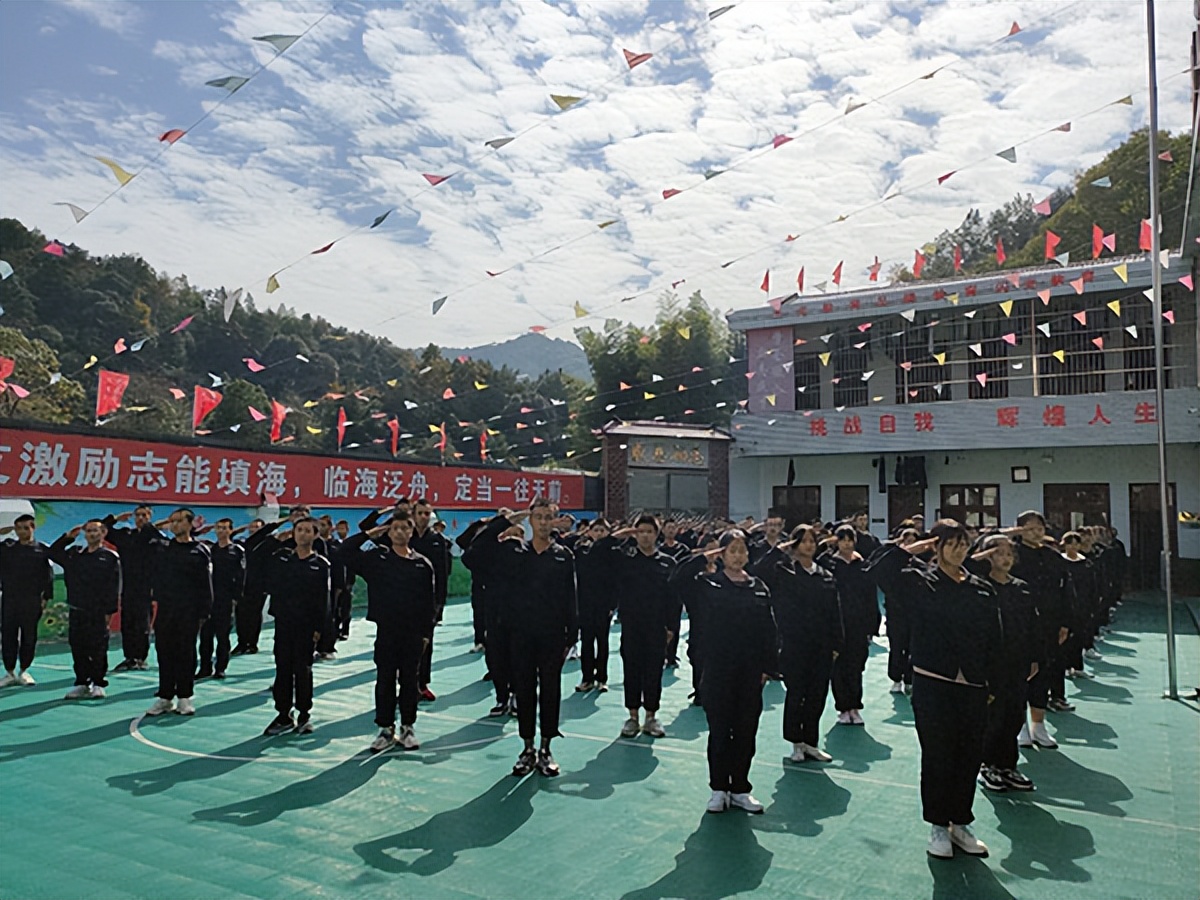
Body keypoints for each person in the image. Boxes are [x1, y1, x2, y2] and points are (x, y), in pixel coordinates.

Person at [869, 519, 1001, 859]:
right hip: (933, 683)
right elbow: (881, 567)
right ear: (938, 546)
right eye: (951, 543)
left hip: (972, 684)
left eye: (963, 543)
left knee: (969, 755)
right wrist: (920, 545)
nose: (959, 549)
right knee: (939, 755)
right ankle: (938, 826)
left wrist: (991, 681)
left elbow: (993, 639)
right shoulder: (919, 582)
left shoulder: (981, 587)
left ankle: (961, 822)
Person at [469, 499, 577, 778]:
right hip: (519, 635)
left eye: (547, 517)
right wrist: (507, 520)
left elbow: (570, 599)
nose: (542, 522)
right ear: (529, 521)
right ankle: (527, 748)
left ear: (554, 521)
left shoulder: (563, 556)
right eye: (537, 517)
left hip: (552, 637)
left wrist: (571, 636)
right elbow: (473, 555)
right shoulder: (514, 552)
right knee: (525, 690)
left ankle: (546, 748)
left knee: (551, 692)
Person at [675, 530, 777, 814]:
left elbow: (769, 630)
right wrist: (704, 557)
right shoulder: (707, 585)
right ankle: (719, 789)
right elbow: (678, 578)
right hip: (718, 668)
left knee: (746, 730)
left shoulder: (758, 587)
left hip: (750, 671)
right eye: (731, 550)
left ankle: (741, 788)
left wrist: (768, 668)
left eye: (742, 550)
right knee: (720, 730)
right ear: (721, 554)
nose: (737, 555)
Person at [343, 510, 435, 750]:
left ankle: (408, 727)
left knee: (409, 680)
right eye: (395, 528)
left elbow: (428, 602)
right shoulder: (377, 559)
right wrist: (368, 534)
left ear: (412, 531)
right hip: (387, 631)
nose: (400, 532)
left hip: (413, 633)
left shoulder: (422, 564)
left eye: (405, 528)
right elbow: (344, 553)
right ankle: (385, 729)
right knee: (384, 680)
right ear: (389, 532)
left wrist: (426, 634)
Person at [751, 524, 841, 763]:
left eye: (812, 541)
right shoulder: (784, 572)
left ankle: (811, 742)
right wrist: (779, 551)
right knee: (796, 694)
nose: (809, 545)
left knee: (817, 695)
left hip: (821, 647)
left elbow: (835, 611)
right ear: (795, 544)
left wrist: (836, 644)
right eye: (803, 541)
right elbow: (758, 571)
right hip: (794, 644)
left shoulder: (825, 575)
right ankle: (796, 743)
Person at [246, 517, 331, 735]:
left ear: (315, 535)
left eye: (307, 531)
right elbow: (252, 549)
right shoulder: (281, 557)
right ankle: (283, 715)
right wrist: (275, 537)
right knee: (283, 669)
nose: (302, 534)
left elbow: (323, 601)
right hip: (284, 623)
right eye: (298, 530)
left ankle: (304, 714)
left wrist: (319, 631)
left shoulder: (320, 565)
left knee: (303, 670)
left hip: (306, 626)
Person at [595, 516, 676, 738]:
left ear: (656, 534)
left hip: (657, 626)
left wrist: (672, 627)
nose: (645, 535)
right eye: (640, 531)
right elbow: (599, 553)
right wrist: (619, 535)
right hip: (631, 625)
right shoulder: (625, 559)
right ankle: (632, 717)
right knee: (632, 670)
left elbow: (673, 599)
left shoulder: (667, 563)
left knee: (653, 671)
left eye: (649, 531)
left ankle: (651, 716)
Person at [972, 535, 1039, 793]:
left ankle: (1008, 765)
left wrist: (1035, 657)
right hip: (989, 665)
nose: (1005, 559)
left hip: (1017, 662)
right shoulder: (979, 587)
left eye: (1009, 554)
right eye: (998, 553)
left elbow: (1032, 626)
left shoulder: (1021, 587)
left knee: (1013, 715)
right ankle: (987, 765)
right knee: (993, 717)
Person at [1009, 510, 1070, 749]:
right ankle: (1020, 726)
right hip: (1019, 622)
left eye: (1040, 528)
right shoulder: (1012, 553)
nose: (1036, 532)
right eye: (1030, 527)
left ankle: (1039, 725)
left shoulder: (1052, 556)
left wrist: (1065, 622)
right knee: (1021, 673)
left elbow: (1064, 590)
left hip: (1048, 623)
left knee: (1044, 671)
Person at [145, 509, 213, 717]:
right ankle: (165, 697)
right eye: (171, 521)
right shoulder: (162, 548)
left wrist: (204, 612)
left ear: (191, 523)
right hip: (166, 609)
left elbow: (206, 585)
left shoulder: (200, 551)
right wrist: (162, 523)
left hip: (189, 611)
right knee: (164, 652)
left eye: (178, 521)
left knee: (186, 653)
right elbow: (147, 532)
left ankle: (185, 697)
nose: (174, 525)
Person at [48, 520, 122, 699]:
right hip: (77, 609)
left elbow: (114, 587)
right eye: (88, 531)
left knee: (97, 648)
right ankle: (82, 682)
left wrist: (109, 612)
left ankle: (98, 682)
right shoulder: (75, 555)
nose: (91, 534)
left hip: (98, 611)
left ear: (103, 533)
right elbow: (53, 553)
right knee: (78, 647)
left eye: (95, 531)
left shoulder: (110, 557)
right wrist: (68, 538)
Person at [462, 516, 524, 716]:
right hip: (497, 614)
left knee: (513, 657)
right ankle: (504, 698)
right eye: (509, 532)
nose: (512, 538)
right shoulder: (492, 555)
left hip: (516, 614)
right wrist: (500, 523)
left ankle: (512, 696)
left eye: (517, 533)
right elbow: (470, 553)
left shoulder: (528, 555)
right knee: (498, 657)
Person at [820, 525, 879, 725]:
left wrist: (873, 624)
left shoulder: (862, 565)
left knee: (856, 666)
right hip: (836, 623)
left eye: (850, 539)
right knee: (839, 666)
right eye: (842, 539)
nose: (846, 543)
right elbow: (815, 561)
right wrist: (824, 544)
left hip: (858, 623)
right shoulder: (829, 563)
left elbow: (871, 595)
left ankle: (855, 706)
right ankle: (843, 707)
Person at [102, 505, 161, 672]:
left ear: (149, 517)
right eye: (138, 515)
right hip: (128, 586)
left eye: (144, 515)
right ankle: (129, 657)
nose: (140, 518)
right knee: (128, 623)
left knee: (142, 624)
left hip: (146, 587)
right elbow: (102, 528)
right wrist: (115, 518)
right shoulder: (126, 535)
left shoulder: (154, 538)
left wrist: (151, 528)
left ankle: (140, 658)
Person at [0, 515, 54, 687]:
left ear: (33, 528)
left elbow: (48, 576)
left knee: (29, 636)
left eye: (25, 528)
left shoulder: (41, 550)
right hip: (9, 598)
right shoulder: (7, 547)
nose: (21, 532)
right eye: (18, 528)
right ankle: (9, 672)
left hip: (31, 600)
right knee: (8, 635)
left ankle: (24, 670)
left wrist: (46, 597)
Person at [410, 499, 451, 702]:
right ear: (413, 515)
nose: (424, 517)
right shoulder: (404, 537)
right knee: (404, 647)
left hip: (428, 603)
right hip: (404, 602)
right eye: (420, 513)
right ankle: (407, 685)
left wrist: (439, 604)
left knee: (426, 644)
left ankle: (422, 684)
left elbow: (443, 573)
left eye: (428, 513)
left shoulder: (438, 540)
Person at [198, 518, 245, 680]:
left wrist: (236, 598)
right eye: (218, 528)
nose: (221, 531)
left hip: (226, 600)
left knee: (222, 636)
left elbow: (241, 576)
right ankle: (205, 668)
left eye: (225, 528)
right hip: (209, 599)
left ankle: (220, 667)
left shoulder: (237, 551)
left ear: (231, 530)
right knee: (205, 636)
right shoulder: (209, 550)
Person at [572, 518, 613, 694]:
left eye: (602, 531)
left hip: (604, 604)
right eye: (595, 530)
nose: (599, 534)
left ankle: (602, 678)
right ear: (589, 532)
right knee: (587, 642)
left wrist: (613, 604)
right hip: (585, 603)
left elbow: (616, 580)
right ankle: (587, 678)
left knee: (602, 642)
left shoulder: (614, 553)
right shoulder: (582, 550)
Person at [658, 519, 692, 668]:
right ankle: (661, 653)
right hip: (660, 593)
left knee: (675, 624)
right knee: (660, 623)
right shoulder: (658, 550)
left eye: (673, 528)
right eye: (668, 528)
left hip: (677, 593)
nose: (671, 530)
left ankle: (672, 655)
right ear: (663, 530)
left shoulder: (684, 550)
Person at [233, 518, 268, 655]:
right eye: (252, 527)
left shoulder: (267, 544)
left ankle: (252, 643)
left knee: (254, 615)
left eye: (257, 527)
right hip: (242, 584)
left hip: (259, 585)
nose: (253, 529)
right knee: (241, 614)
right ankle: (242, 643)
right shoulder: (242, 544)